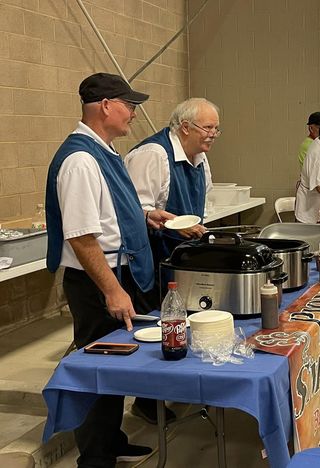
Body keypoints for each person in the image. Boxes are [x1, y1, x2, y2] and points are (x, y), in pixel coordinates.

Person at [45, 72, 172, 467]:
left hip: (118, 274)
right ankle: (94, 457)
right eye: (129, 105)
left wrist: (146, 215)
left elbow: (108, 213)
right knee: (100, 367)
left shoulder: (104, 151)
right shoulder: (81, 160)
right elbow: (82, 237)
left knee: (118, 365)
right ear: (105, 106)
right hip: (100, 281)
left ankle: (111, 440)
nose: (134, 113)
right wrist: (113, 291)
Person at [124, 98, 219, 423]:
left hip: (182, 252)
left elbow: (202, 198)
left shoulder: (200, 158)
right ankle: (145, 399)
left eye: (216, 128)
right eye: (209, 127)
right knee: (153, 325)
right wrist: (158, 217)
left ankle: (179, 385)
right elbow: (132, 208)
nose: (214, 134)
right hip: (152, 253)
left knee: (183, 322)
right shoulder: (152, 155)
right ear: (185, 127)